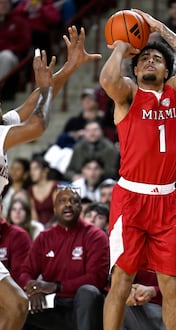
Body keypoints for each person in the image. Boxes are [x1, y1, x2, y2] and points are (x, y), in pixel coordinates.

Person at [99, 7, 176, 330]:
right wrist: (120, 45)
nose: (149, 61)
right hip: (131, 197)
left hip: (167, 202)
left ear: (167, 69)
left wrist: (159, 28)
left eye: (156, 59)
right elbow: (107, 79)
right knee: (122, 280)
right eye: (143, 59)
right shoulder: (127, 94)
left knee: (171, 283)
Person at [0, 23, 101, 329]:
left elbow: (32, 104)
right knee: (15, 306)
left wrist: (69, 67)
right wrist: (44, 87)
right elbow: (39, 125)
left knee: (15, 308)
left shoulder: (3, 125)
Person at [19, 187, 110, 330]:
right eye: (62, 201)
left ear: (80, 208)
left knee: (88, 292)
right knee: (18, 305)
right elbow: (25, 271)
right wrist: (33, 289)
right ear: (55, 209)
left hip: (81, 304)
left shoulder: (96, 236)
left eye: (73, 201)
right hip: (52, 302)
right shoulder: (44, 237)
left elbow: (96, 278)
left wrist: (56, 286)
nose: (68, 204)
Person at [122, 233, 176, 330]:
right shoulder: (136, 241)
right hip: (142, 306)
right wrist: (129, 290)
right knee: (118, 299)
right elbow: (119, 277)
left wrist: (154, 291)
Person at [27, 155, 58, 226]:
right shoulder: (30, 190)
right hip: (39, 229)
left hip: (55, 225)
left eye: (35, 169)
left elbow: (58, 212)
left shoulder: (55, 186)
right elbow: (33, 215)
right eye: (31, 169)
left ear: (45, 170)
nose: (32, 173)